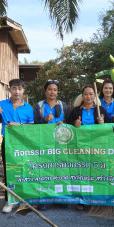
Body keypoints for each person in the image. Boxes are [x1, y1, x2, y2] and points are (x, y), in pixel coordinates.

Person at [67, 85, 110, 210]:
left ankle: (96, 198)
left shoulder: (100, 110)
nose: (88, 97)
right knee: (82, 173)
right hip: (80, 147)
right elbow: (67, 126)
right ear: (82, 96)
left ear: (95, 96)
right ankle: (82, 200)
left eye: (91, 94)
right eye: (85, 94)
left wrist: (103, 123)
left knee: (96, 172)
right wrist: (74, 124)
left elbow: (109, 127)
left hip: (97, 147)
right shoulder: (76, 111)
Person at [0, 79, 34, 213]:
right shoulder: (2, 104)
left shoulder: (28, 108)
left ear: (23, 90)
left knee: (25, 169)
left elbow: (31, 126)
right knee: (9, 171)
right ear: (9, 90)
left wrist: (20, 125)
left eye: (19, 88)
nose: (17, 91)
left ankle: (25, 199)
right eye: (14, 88)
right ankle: (9, 201)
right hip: (9, 142)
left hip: (24, 143)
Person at [33, 79, 69, 210]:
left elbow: (69, 124)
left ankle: (59, 198)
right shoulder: (39, 106)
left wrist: (63, 124)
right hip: (44, 143)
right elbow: (34, 125)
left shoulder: (63, 106)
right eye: (50, 89)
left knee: (60, 169)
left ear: (58, 92)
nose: (52, 92)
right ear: (45, 91)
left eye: (55, 90)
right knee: (44, 169)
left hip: (61, 143)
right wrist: (44, 120)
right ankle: (43, 199)